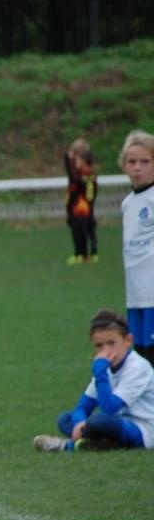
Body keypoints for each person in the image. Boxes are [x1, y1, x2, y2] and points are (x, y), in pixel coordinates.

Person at [33, 309, 153, 452]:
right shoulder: (105, 366)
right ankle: (97, 442)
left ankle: (68, 446)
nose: (105, 351)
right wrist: (79, 423)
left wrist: (100, 373)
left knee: (99, 421)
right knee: (65, 419)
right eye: (99, 345)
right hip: (115, 422)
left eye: (111, 343)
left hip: (144, 429)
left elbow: (108, 409)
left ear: (127, 341)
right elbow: (83, 406)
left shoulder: (137, 367)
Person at [118, 130, 154, 362]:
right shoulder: (128, 204)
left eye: (145, 161)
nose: (137, 168)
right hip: (135, 295)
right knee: (140, 360)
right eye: (132, 162)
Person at [64, 139, 98, 265]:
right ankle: (93, 253)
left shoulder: (82, 174)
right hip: (87, 205)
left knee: (79, 230)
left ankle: (81, 255)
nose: (75, 162)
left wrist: (68, 160)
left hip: (81, 206)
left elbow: (73, 179)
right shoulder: (90, 171)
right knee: (89, 229)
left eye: (76, 159)